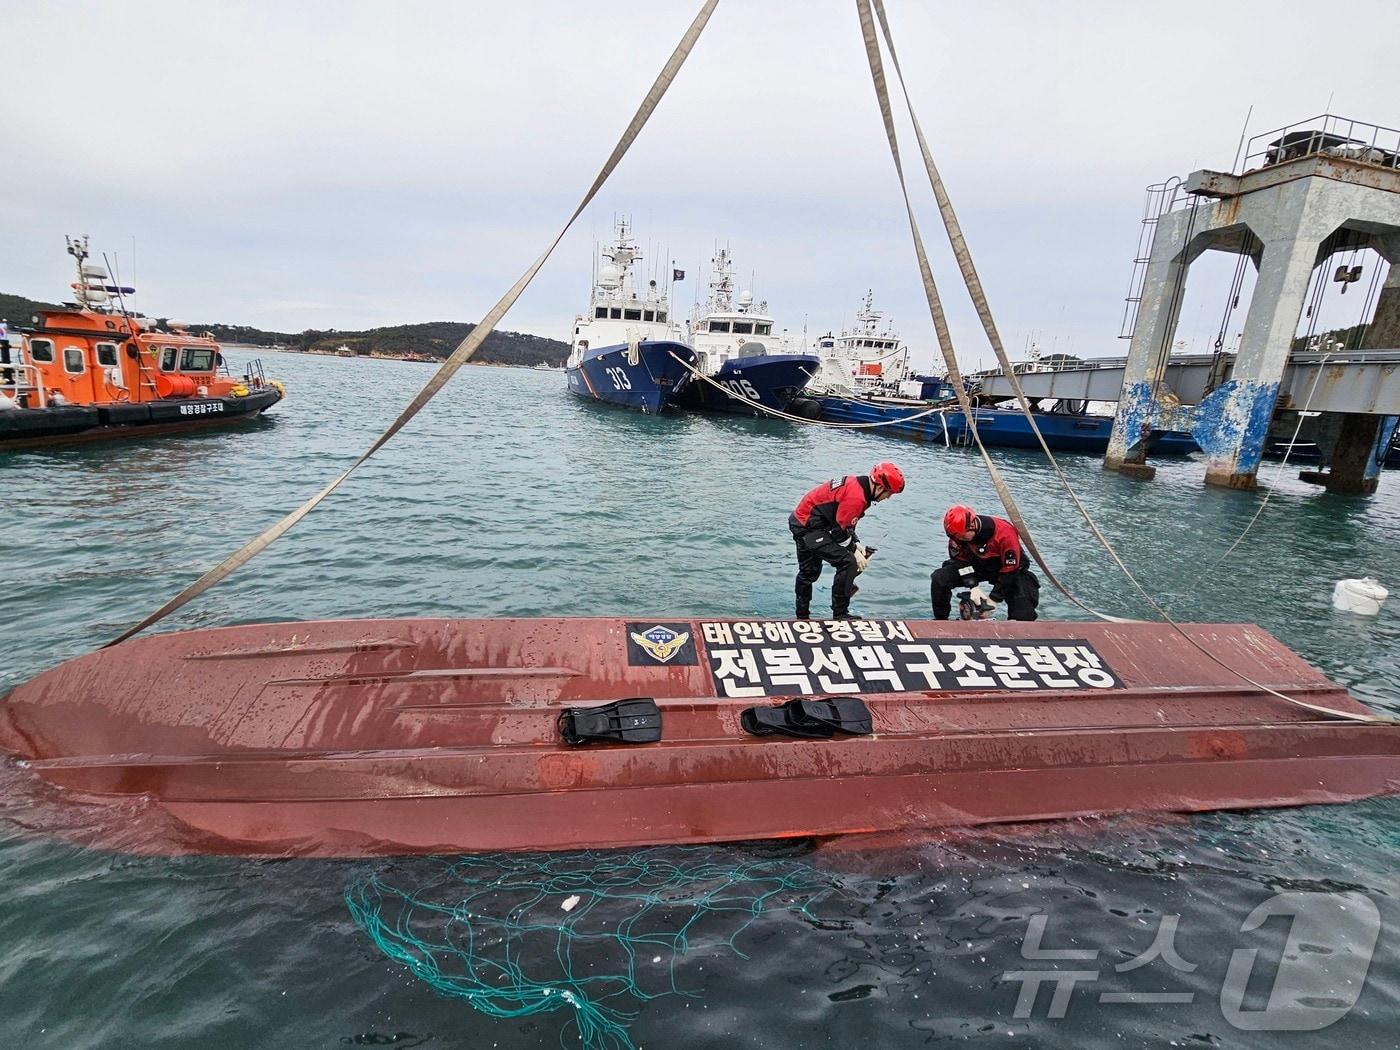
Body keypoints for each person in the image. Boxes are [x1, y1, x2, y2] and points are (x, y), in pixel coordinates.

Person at [789, 462, 905, 619]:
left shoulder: (858, 486)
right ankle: (840, 614)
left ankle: (801, 616)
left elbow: (847, 523)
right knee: (848, 562)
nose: (888, 498)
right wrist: (853, 551)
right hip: (807, 527)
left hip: (806, 522)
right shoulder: (857, 497)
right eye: (889, 493)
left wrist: (856, 545)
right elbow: (839, 533)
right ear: (879, 487)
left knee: (809, 573)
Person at [930, 504, 1040, 620]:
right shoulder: (957, 538)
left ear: (972, 526)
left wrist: (993, 599)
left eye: (962, 537)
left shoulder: (1005, 533)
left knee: (1023, 611)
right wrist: (973, 586)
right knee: (939, 578)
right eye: (955, 537)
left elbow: (1010, 569)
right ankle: (940, 620)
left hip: (1010, 570)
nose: (959, 540)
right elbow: (960, 562)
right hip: (979, 565)